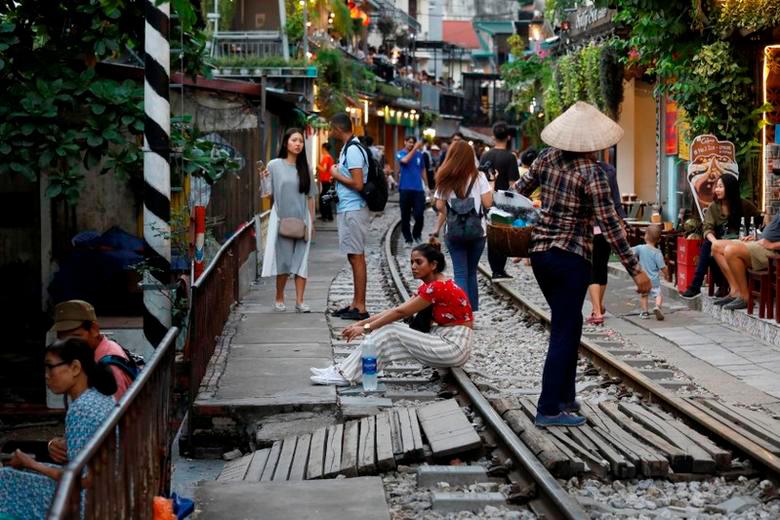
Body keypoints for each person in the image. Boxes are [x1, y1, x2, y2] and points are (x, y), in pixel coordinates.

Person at [513, 102, 651, 427]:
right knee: (564, 328)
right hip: (571, 257)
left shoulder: (545, 158)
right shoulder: (593, 172)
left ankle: (565, 397)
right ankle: (548, 407)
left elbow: (517, 194)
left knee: (570, 323)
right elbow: (612, 225)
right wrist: (636, 270)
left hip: (541, 254)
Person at [309, 243, 473, 385]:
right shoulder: (433, 286)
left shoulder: (437, 287)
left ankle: (346, 374)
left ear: (433, 265)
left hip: (454, 345)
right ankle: (345, 370)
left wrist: (366, 328)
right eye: (411, 262)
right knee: (389, 329)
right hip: (446, 340)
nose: (413, 266)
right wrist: (359, 324)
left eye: (418, 262)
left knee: (391, 330)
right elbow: (394, 310)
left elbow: (400, 312)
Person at [0, 338, 116, 518]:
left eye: (50, 367)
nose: (46, 375)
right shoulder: (100, 396)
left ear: (75, 368)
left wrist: (31, 464)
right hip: (108, 491)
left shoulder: (81, 410)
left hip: (89, 503)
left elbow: (81, 481)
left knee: (5, 479)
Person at [430, 141, 493, 311]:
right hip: (477, 232)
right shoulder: (479, 177)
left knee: (460, 272)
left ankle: (462, 312)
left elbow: (439, 206)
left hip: (454, 231)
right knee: (471, 272)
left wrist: (454, 207)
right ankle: (471, 311)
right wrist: (492, 183)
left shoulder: (444, 177)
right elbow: (488, 203)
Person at [260, 128, 318, 313]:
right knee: (283, 262)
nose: (298, 144)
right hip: (281, 220)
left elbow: (310, 197)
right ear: (286, 143)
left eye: (300, 141)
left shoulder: (305, 169)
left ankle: (300, 301)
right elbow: (266, 194)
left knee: (302, 261)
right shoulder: (274, 165)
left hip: (303, 220)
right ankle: (279, 297)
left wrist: (312, 223)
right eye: (294, 140)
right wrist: (263, 179)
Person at [680, 174, 760, 299]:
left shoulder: (744, 205)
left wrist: (752, 234)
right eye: (716, 186)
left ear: (730, 188)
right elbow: (707, 228)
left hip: (739, 242)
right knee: (709, 245)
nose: (716, 190)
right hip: (720, 242)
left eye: (720, 186)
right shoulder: (714, 207)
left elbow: (760, 219)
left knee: (710, 249)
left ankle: (699, 287)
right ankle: (702, 285)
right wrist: (715, 242)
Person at [329, 113, 370, 321]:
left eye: (330, 128)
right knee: (353, 256)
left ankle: (361, 307)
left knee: (357, 256)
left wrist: (335, 175)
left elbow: (358, 183)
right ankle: (355, 303)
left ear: (337, 128)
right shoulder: (348, 148)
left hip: (354, 208)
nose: (329, 132)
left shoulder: (353, 150)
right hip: (348, 208)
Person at [51, 300, 133, 401]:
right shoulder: (88, 357)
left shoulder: (110, 368)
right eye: (62, 338)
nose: (68, 344)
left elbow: (115, 414)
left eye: (75, 336)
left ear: (94, 330)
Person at [711, 212, 780, 310]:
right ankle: (735, 291)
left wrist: (772, 245)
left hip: (773, 253)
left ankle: (745, 297)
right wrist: (758, 236)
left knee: (731, 251)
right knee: (716, 246)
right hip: (760, 243)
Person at [586, 161, 626, 325]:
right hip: (606, 228)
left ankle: (596, 311)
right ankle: (599, 306)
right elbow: (616, 200)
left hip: (588, 228)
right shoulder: (608, 169)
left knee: (592, 269)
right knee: (601, 267)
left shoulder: (579, 169)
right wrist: (621, 224)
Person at [480, 121, 520, 280]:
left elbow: (480, 178)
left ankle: (495, 269)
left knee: (491, 233)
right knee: (503, 235)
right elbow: (513, 184)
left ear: (493, 137)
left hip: (487, 198)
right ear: (508, 137)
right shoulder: (510, 157)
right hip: (504, 202)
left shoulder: (485, 155)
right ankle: (499, 269)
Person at [632, 225, 669, 320]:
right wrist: (666, 275)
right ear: (658, 240)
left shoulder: (640, 248)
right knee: (658, 295)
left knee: (644, 296)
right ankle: (657, 306)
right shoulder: (657, 253)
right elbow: (663, 267)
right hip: (654, 280)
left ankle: (644, 313)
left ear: (646, 236)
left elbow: (629, 252)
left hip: (644, 280)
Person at [396, 136, 427, 245]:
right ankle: (408, 238)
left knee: (419, 214)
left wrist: (427, 186)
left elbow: (423, 169)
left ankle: (417, 234)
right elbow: (404, 161)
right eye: (409, 142)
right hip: (404, 189)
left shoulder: (420, 155)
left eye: (413, 143)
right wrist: (415, 149)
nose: (411, 144)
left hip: (418, 189)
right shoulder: (400, 153)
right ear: (405, 142)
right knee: (405, 215)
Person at [317, 142, 335, 221]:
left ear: (324, 148)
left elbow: (324, 169)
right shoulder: (330, 157)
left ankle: (325, 216)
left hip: (326, 181)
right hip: (328, 180)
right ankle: (329, 216)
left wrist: (317, 165)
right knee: (326, 197)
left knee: (323, 198)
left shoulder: (326, 157)